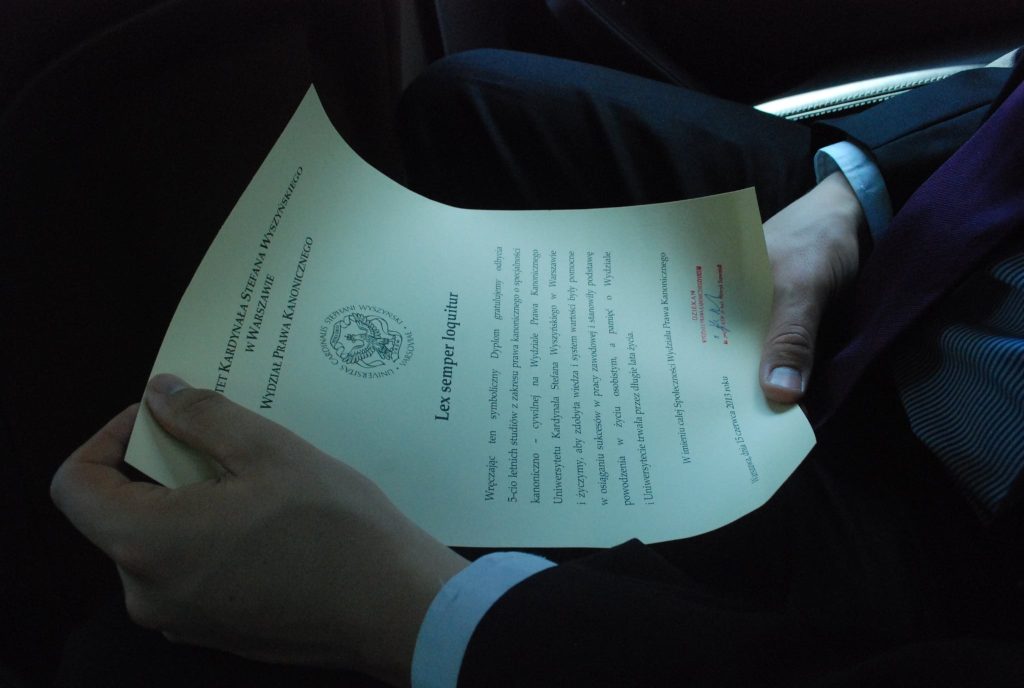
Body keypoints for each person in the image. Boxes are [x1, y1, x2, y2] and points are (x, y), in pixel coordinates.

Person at [42, 45, 1024, 688]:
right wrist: (850, 197)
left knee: (137, 662)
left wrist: (420, 613)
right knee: (473, 105)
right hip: (936, 256)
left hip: (959, 551)